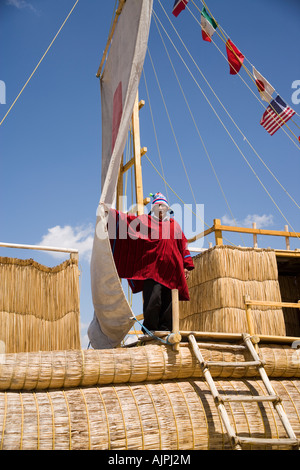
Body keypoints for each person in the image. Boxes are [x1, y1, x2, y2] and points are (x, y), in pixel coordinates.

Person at [108, 192, 194, 333]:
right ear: (153, 208)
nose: (161, 209)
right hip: (152, 270)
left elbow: (183, 245)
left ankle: (166, 330)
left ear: (167, 209)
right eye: (158, 206)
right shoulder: (145, 221)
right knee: (153, 301)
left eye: (163, 207)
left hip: (172, 271)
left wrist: (186, 265)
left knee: (169, 302)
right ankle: (150, 330)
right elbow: (128, 223)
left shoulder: (175, 226)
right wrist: (112, 215)